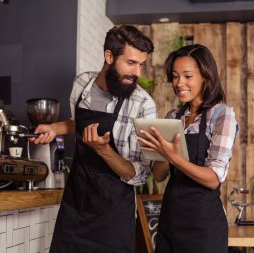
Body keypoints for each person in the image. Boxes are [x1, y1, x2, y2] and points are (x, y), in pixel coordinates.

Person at [30, 25, 156, 253]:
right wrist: (55, 128)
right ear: (109, 56)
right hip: (75, 204)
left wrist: (104, 150)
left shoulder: (143, 105)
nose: (137, 73)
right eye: (131, 63)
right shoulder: (82, 84)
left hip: (113, 217)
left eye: (141, 64)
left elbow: (139, 174)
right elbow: (77, 122)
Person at [137, 44, 238, 253]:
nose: (179, 83)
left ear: (205, 77)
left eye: (187, 76)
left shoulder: (222, 116)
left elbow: (212, 179)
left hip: (204, 226)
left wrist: (174, 157)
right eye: (175, 76)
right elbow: (158, 176)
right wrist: (161, 151)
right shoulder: (173, 117)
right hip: (171, 220)